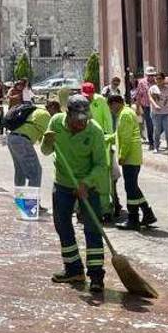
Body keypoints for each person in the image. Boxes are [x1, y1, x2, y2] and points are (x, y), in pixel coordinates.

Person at [41, 95, 109, 295]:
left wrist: (85, 183)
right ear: (68, 115)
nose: (81, 124)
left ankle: (96, 276)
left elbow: (100, 165)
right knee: (62, 225)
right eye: (77, 120)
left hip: (89, 185)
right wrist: (47, 140)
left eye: (84, 119)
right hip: (63, 183)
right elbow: (46, 151)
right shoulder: (55, 123)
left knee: (93, 228)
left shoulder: (94, 131)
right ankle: (73, 269)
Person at [110, 94, 158, 231]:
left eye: (111, 106)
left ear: (116, 103)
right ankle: (147, 213)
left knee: (130, 189)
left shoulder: (124, 115)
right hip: (134, 156)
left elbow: (125, 138)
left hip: (130, 157)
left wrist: (122, 155)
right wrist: (106, 138)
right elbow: (119, 135)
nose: (111, 109)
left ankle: (133, 218)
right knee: (133, 187)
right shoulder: (128, 112)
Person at [81, 82, 120, 223]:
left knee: (104, 176)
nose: (88, 98)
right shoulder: (78, 102)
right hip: (84, 141)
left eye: (89, 95)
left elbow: (108, 119)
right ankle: (83, 208)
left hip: (102, 140)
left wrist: (109, 138)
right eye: (85, 96)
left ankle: (106, 208)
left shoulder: (100, 101)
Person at [6, 99, 59, 196]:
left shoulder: (36, 110)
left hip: (12, 138)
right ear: (52, 107)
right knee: (35, 173)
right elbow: (49, 136)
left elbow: (41, 139)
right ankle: (31, 204)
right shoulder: (45, 115)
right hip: (22, 141)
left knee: (20, 171)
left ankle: (20, 200)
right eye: (56, 112)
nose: (55, 116)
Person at [148, 72, 168, 154]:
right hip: (156, 113)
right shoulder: (153, 88)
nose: (158, 80)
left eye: (160, 78)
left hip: (167, 112)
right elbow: (150, 98)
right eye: (157, 79)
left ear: (163, 79)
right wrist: (155, 105)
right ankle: (156, 147)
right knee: (157, 130)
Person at [133, 67, 156, 147]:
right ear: (146, 75)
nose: (151, 77)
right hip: (146, 106)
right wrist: (137, 107)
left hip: (156, 106)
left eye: (152, 75)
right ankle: (151, 143)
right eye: (149, 75)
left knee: (157, 125)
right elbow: (138, 95)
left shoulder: (157, 82)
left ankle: (155, 138)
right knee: (149, 124)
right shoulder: (142, 83)